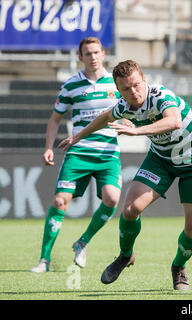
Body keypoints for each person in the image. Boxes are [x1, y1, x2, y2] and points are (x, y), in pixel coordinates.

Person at [58, 60, 192, 291]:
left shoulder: (160, 95)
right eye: (126, 89)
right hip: (161, 160)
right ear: (118, 90)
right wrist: (77, 137)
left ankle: (178, 267)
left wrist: (137, 131)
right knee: (130, 210)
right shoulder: (124, 106)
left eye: (136, 85)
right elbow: (105, 117)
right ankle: (125, 255)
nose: (133, 92)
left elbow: (174, 121)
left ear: (144, 80)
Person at [31, 37, 123, 273]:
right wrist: (48, 147)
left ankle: (82, 241)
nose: (92, 57)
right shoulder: (71, 85)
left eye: (96, 52)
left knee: (112, 199)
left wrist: (133, 126)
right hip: (79, 152)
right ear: (80, 57)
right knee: (60, 201)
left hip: (107, 153)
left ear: (103, 53)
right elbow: (55, 119)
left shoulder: (117, 84)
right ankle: (44, 260)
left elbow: (133, 108)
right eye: (87, 53)